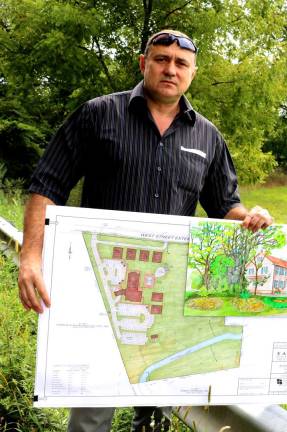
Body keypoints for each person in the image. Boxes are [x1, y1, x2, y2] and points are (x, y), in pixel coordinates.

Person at [17, 29, 273, 432]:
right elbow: (47, 185)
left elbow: (225, 205)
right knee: (91, 415)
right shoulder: (99, 114)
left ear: (192, 72)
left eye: (181, 63)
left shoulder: (208, 136)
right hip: (102, 289)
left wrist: (250, 217)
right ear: (144, 63)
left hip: (167, 296)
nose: (170, 69)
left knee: (155, 413)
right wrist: (30, 256)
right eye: (161, 59)